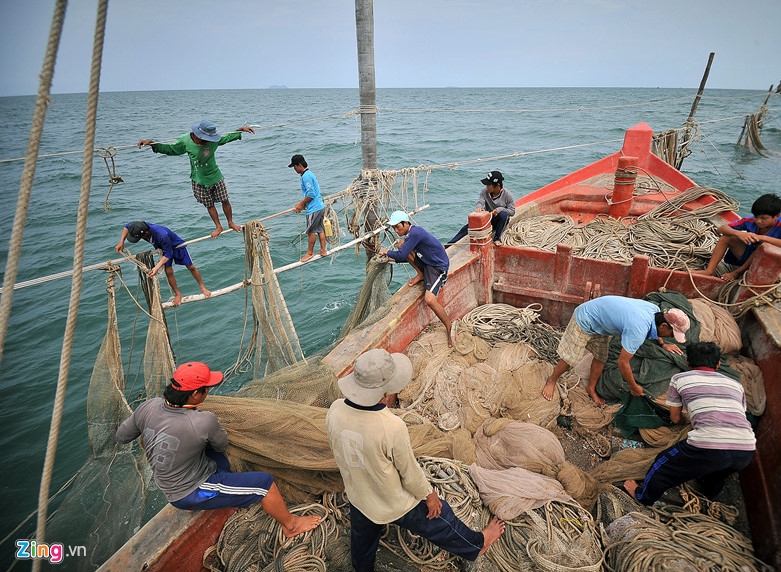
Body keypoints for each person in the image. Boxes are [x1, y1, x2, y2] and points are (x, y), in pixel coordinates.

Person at [326, 349, 505, 572]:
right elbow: (410, 473)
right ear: (386, 391)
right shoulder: (391, 426)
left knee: (362, 541)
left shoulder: (334, 410)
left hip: (359, 498)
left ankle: (362, 568)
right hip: (394, 503)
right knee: (441, 516)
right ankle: (476, 544)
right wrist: (430, 496)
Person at [115, 362, 321, 537]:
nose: (209, 391)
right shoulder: (203, 420)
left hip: (167, 480)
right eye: (207, 388)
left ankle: (233, 492)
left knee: (218, 459)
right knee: (264, 484)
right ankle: (291, 525)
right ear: (195, 394)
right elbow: (221, 444)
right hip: (189, 492)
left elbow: (122, 436)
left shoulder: (149, 406)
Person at [623, 341, 756, 505]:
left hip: (707, 445)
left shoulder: (680, 379)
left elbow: (675, 418)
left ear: (687, 361)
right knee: (718, 473)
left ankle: (643, 496)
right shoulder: (736, 385)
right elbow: (737, 414)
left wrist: (688, 420)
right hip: (746, 449)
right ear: (719, 364)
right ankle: (709, 494)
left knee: (662, 463)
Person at [542, 296, 690, 405]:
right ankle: (551, 380)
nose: (671, 337)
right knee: (571, 359)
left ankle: (591, 389)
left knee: (601, 357)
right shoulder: (639, 329)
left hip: (600, 324)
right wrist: (634, 387)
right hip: (585, 319)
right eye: (672, 334)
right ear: (664, 325)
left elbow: (656, 330)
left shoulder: (655, 311)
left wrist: (663, 344)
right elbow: (623, 362)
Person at [138, 120, 255, 238]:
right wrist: (153, 144)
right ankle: (218, 226)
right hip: (199, 179)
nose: (207, 141)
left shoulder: (214, 140)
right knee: (209, 204)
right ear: (198, 135)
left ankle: (230, 222)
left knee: (225, 200)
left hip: (215, 175)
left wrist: (240, 130)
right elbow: (171, 149)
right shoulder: (185, 141)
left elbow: (228, 137)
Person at [380, 211, 454, 347]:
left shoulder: (415, 233)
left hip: (437, 267)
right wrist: (389, 258)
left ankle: (449, 327)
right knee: (401, 245)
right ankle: (420, 274)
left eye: (398, 227)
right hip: (426, 262)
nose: (396, 230)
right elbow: (402, 254)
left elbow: (402, 256)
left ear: (406, 223)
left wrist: (387, 252)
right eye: (394, 228)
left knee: (430, 300)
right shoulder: (409, 235)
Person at [693, 193, 781, 281]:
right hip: (747, 257)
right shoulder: (750, 221)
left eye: (763, 218)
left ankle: (736, 273)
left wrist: (762, 238)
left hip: (765, 264)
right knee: (727, 237)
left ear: (776, 216)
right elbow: (721, 229)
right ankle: (709, 271)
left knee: (763, 246)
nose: (758, 221)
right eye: (756, 217)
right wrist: (739, 233)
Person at [116, 221, 210, 306]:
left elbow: (169, 254)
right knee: (168, 272)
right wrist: (121, 242)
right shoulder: (140, 226)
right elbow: (127, 226)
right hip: (164, 248)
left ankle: (202, 287)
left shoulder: (161, 234)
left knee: (191, 267)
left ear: (146, 233)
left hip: (176, 246)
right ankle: (177, 293)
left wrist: (156, 268)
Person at [447, 170, 516, 247]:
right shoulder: (484, 191)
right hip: (489, 218)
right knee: (468, 226)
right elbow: (480, 201)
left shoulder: (507, 194)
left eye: (489, 185)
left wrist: (499, 209)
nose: (486, 187)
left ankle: (497, 239)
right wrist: (479, 208)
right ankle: (449, 244)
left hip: (500, 221)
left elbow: (512, 211)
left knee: (503, 215)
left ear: (497, 185)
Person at [288, 154, 328, 262]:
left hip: (314, 209)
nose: (294, 169)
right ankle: (323, 250)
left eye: (295, 167)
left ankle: (310, 252)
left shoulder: (306, 176)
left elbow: (311, 194)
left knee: (311, 231)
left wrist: (300, 204)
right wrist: (304, 204)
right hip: (320, 206)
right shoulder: (309, 174)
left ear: (299, 165)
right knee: (320, 229)